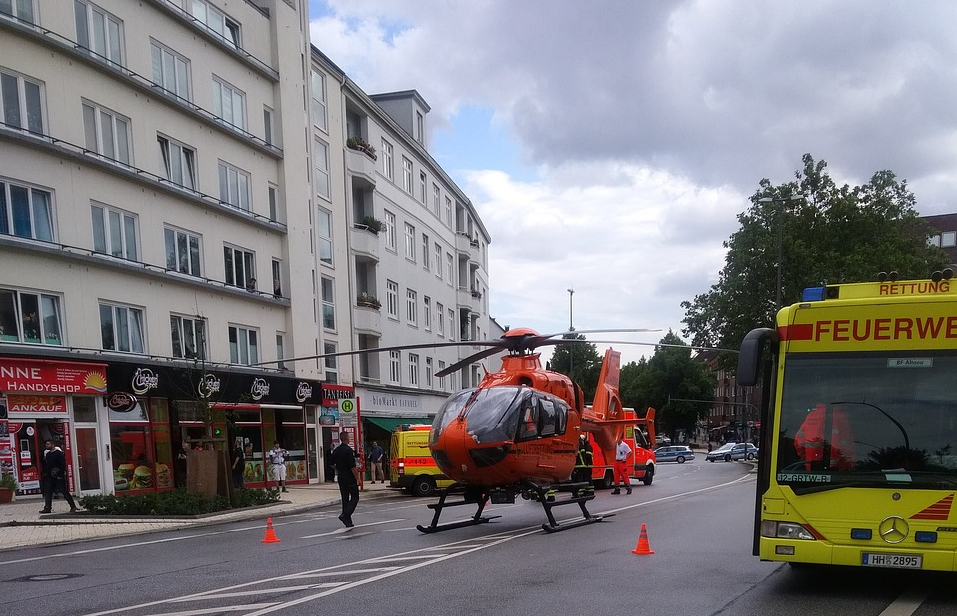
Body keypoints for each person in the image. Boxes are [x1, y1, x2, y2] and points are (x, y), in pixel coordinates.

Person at [794, 403, 855, 471]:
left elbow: (798, 441)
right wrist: (849, 464)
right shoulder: (840, 417)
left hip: (811, 468)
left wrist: (805, 457)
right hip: (834, 469)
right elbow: (837, 443)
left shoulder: (811, 416)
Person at [39, 439, 77, 514]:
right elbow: (47, 465)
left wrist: (60, 474)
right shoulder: (48, 454)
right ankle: (47, 507)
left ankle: (73, 506)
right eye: (46, 444)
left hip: (58, 476)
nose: (46, 446)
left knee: (64, 491)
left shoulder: (59, 454)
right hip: (49, 476)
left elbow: (62, 465)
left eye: (48, 444)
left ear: (53, 445)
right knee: (48, 492)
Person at [331, 432, 360, 527]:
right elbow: (353, 467)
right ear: (346, 438)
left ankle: (348, 521)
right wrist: (358, 478)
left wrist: (338, 468)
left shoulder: (337, 450)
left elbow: (331, 463)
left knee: (345, 498)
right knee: (355, 497)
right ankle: (345, 515)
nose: (350, 438)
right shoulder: (348, 450)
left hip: (341, 477)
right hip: (349, 477)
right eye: (349, 437)